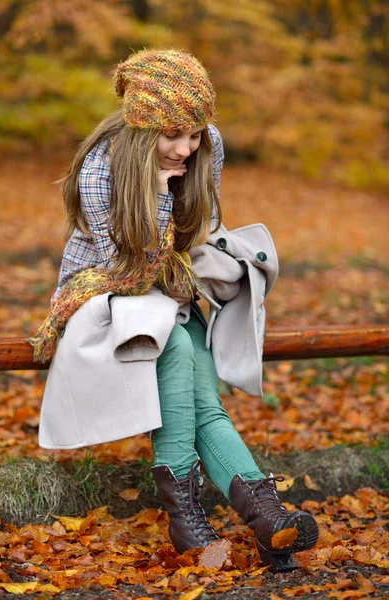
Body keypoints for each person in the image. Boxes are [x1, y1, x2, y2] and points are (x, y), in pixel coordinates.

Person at [33, 49, 318, 572]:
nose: (187, 149)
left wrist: (187, 255)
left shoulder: (206, 144)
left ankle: (263, 523)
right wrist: (162, 201)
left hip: (170, 290)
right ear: (142, 129)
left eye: (195, 133)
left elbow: (198, 231)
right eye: (172, 137)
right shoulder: (100, 169)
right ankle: (206, 520)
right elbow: (129, 270)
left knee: (199, 390)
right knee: (178, 351)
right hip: (104, 291)